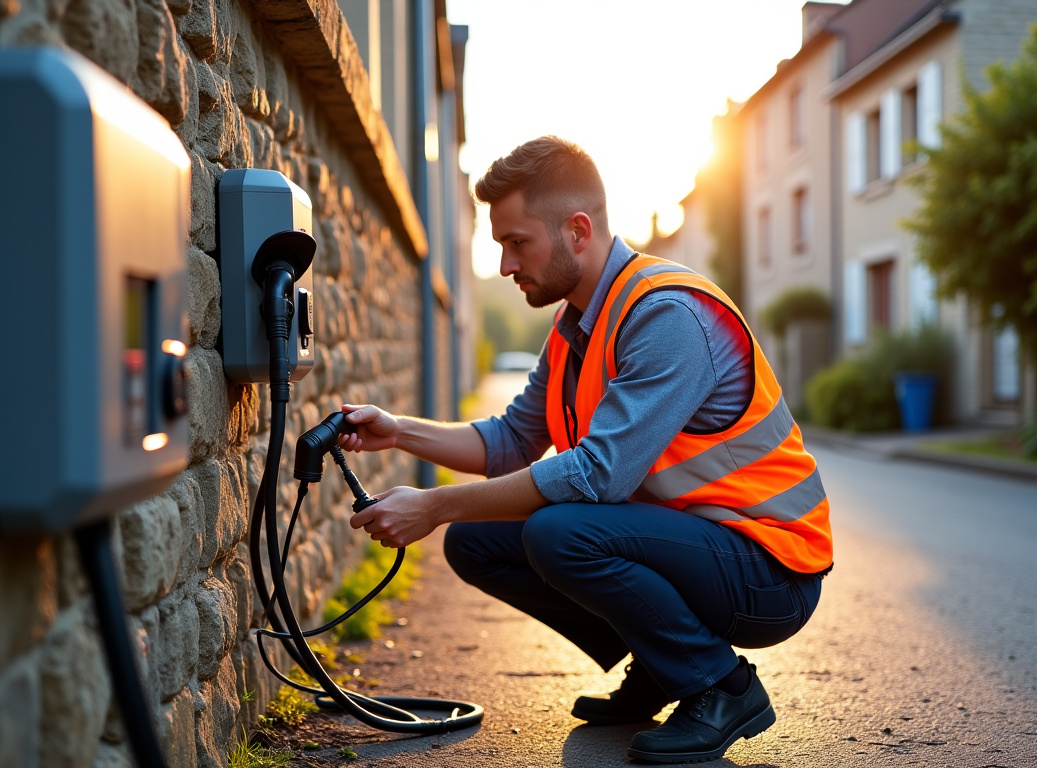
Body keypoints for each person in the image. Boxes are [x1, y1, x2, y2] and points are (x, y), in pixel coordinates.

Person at [338, 136, 831, 764]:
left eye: (518, 243)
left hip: (769, 567)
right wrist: (399, 430)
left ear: (577, 230)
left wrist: (436, 504)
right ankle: (663, 663)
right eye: (500, 247)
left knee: (559, 531)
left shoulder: (668, 315)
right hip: (694, 545)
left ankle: (721, 686)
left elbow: (599, 473)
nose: (506, 266)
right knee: (475, 541)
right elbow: (514, 441)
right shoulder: (575, 324)